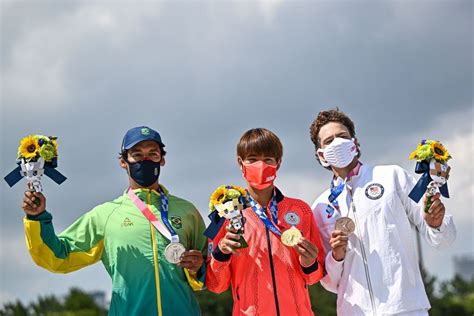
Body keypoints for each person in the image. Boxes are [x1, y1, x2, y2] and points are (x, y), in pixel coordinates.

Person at [21, 126, 207, 315]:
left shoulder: (187, 212)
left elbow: (213, 269)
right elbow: (58, 257)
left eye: (153, 154)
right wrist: (37, 217)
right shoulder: (106, 215)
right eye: (137, 154)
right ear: (123, 162)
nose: (145, 160)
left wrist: (199, 268)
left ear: (163, 159)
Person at [309, 109, 456, 315]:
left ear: (355, 143)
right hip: (355, 311)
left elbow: (443, 240)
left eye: (342, 136)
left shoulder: (392, 177)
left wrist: (435, 223)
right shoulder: (319, 208)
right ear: (321, 155)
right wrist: (337, 256)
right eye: (329, 140)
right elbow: (329, 282)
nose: (337, 143)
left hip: (405, 306)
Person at [205, 128, 325, 316]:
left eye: (268, 159)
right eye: (252, 159)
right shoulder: (223, 213)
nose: (260, 165)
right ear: (240, 162)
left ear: (278, 163)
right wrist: (221, 252)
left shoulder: (301, 210)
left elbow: (314, 277)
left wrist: (309, 262)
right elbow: (215, 285)